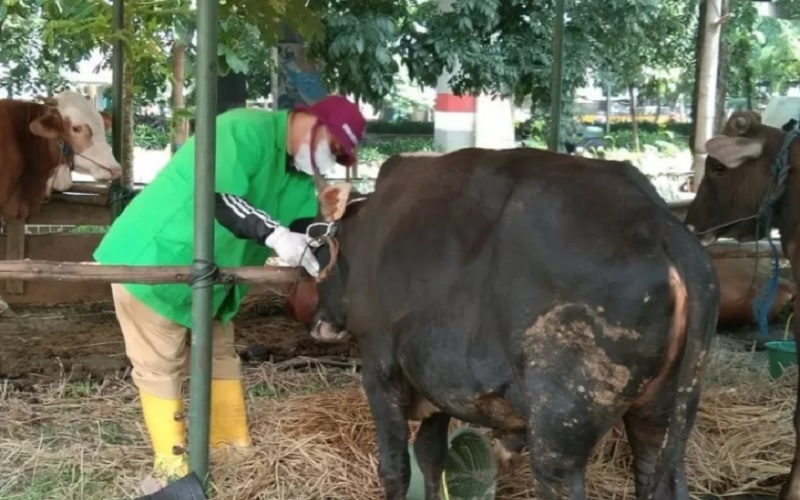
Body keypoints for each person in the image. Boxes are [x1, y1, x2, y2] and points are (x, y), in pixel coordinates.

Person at [93, 95, 367, 479]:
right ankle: (172, 464)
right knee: (159, 361)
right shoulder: (244, 129)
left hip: (214, 279)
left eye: (337, 156)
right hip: (155, 257)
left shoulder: (299, 180)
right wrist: (275, 235)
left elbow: (303, 224)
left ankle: (232, 449)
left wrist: (331, 236)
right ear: (307, 118)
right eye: (331, 145)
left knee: (220, 353)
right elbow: (219, 197)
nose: (328, 158)